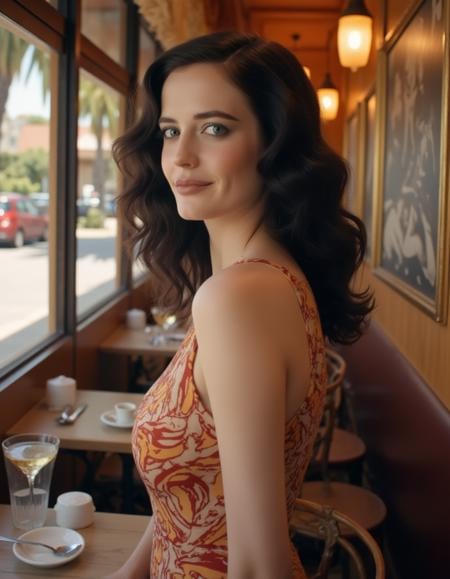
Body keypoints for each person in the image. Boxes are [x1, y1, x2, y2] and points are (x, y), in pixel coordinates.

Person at [108, 31, 373, 579]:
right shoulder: (250, 281)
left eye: (214, 128)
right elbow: (195, 493)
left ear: (275, 145)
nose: (180, 156)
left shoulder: (240, 298)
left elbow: (257, 564)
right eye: (170, 131)